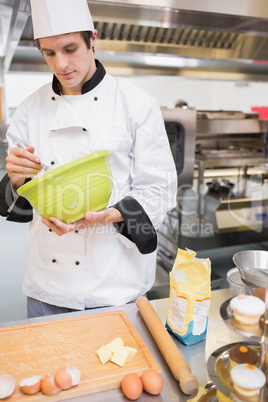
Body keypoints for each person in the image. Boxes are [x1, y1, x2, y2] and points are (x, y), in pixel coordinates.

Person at [0, 0, 177, 318]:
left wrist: (110, 215)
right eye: (49, 53)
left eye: (70, 49)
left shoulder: (136, 104)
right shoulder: (28, 110)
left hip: (116, 286)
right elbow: (22, 202)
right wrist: (15, 181)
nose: (61, 64)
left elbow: (160, 190)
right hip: (47, 285)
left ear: (92, 38)